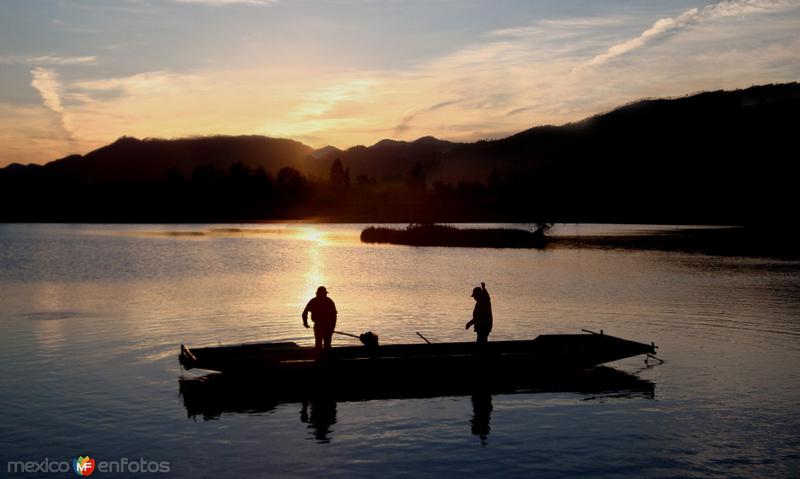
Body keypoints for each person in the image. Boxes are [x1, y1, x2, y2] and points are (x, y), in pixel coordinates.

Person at [302, 286, 338, 350]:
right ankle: (324, 358)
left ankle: (321, 358)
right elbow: (334, 316)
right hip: (323, 326)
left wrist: (305, 323)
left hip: (326, 326)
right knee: (325, 344)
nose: (325, 295)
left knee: (321, 344)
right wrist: (332, 327)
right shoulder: (328, 301)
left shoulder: (314, 301)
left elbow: (304, 313)